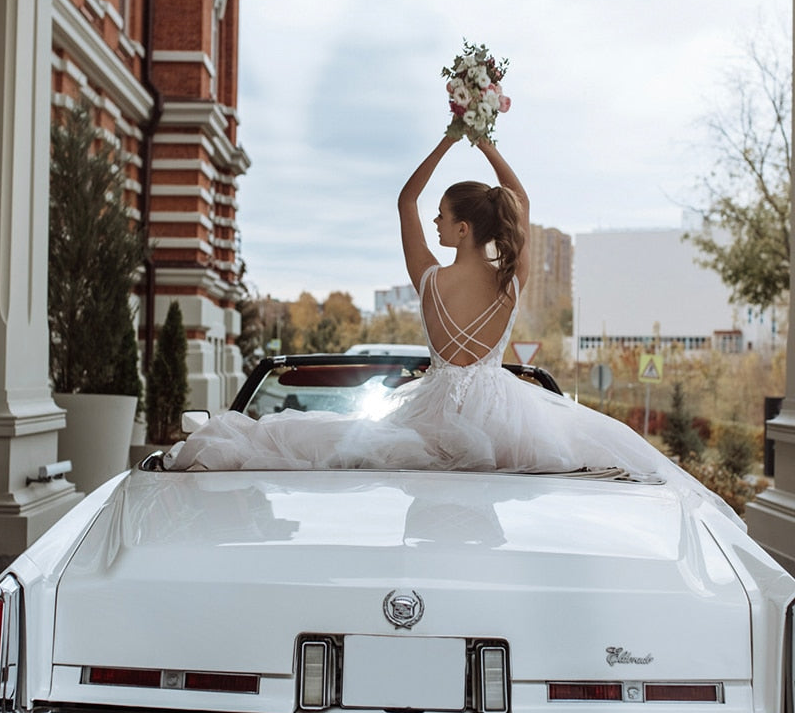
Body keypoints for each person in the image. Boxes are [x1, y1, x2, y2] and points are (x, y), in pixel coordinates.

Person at [163, 133, 739, 528]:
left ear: (463, 229)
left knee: (334, 446)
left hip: (434, 411)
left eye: (443, 216)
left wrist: (449, 137)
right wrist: (483, 140)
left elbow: (405, 199)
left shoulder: (430, 280)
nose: (435, 221)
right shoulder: (510, 279)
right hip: (504, 415)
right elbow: (520, 200)